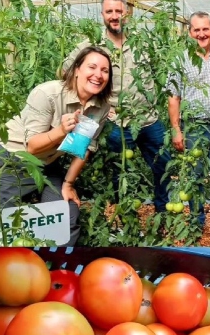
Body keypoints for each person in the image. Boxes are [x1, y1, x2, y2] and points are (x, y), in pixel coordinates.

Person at [0, 47, 114, 246]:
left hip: (47, 163)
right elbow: (32, 148)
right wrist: (61, 130)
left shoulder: (101, 107)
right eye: (92, 67)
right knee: (2, 225)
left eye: (105, 70)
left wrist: (68, 184)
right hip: (11, 160)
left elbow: (85, 147)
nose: (98, 75)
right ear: (77, 69)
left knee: (67, 216)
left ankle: (57, 267)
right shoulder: (47, 93)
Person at [63, 0, 170, 213]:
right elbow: (66, 71)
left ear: (128, 13)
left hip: (148, 118)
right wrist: (93, 103)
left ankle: (164, 213)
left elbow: (159, 73)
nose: (114, 16)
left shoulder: (144, 43)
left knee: (164, 166)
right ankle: (127, 218)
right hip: (115, 120)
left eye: (118, 11)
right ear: (102, 14)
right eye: (109, 11)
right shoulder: (91, 45)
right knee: (120, 173)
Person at [166, 12, 210, 236]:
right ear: (190, 33)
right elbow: (173, 96)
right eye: (196, 30)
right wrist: (176, 129)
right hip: (195, 127)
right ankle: (197, 220)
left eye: (205, 29)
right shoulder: (181, 60)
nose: (201, 34)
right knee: (195, 176)